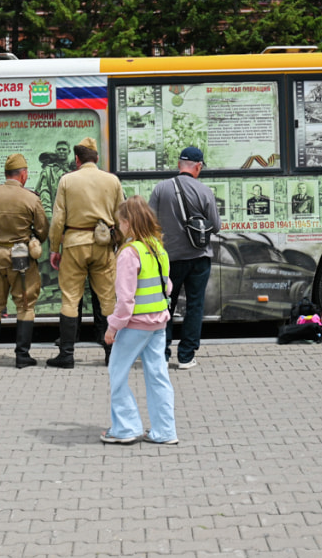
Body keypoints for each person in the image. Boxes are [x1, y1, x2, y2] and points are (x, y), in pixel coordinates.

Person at [100, 197, 178, 445]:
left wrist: (113, 327)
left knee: (118, 373)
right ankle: (165, 432)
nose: (118, 227)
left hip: (135, 325)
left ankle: (126, 428)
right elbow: (167, 286)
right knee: (158, 376)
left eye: (120, 222)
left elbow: (125, 300)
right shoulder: (157, 247)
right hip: (158, 323)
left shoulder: (129, 253)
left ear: (128, 222)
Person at [48, 138, 126, 369]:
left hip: (74, 243)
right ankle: (112, 353)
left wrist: (54, 248)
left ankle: (67, 354)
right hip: (103, 245)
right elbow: (121, 216)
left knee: (70, 298)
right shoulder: (112, 180)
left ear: (77, 159)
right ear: (97, 159)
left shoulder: (67, 180)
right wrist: (118, 244)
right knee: (107, 300)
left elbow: (58, 218)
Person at [0, 154, 49, 368]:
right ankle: (22, 356)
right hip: (21, 259)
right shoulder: (31, 198)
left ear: (6, 174)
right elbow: (43, 231)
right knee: (25, 306)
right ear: (23, 175)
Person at [148, 146, 222, 370]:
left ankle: (162, 354)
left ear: (179, 164)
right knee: (195, 305)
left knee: (164, 306)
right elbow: (216, 226)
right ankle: (186, 356)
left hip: (168, 259)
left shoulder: (161, 189)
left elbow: (149, 223)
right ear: (198, 166)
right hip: (199, 258)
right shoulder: (205, 191)